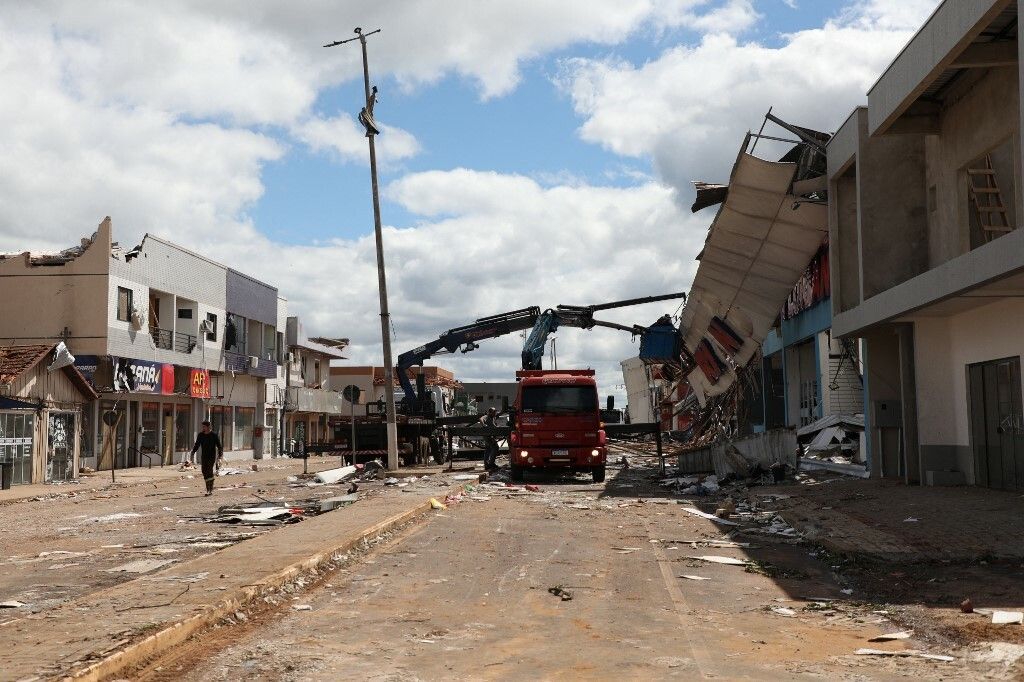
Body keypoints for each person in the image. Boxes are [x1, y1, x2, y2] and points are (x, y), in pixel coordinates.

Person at [191, 420, 224, 496]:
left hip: (211, 456)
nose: (203, 428)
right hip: (204, 456)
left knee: (209, 471)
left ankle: (210, 489)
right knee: (204, 471)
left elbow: (219, 446)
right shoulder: (201, 435)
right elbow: (197, 444)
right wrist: (193, 451)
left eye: (204, 427)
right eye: (202, 427)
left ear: (208, 427)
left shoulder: (214, 435)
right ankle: (208, 488)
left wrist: (220, 455)